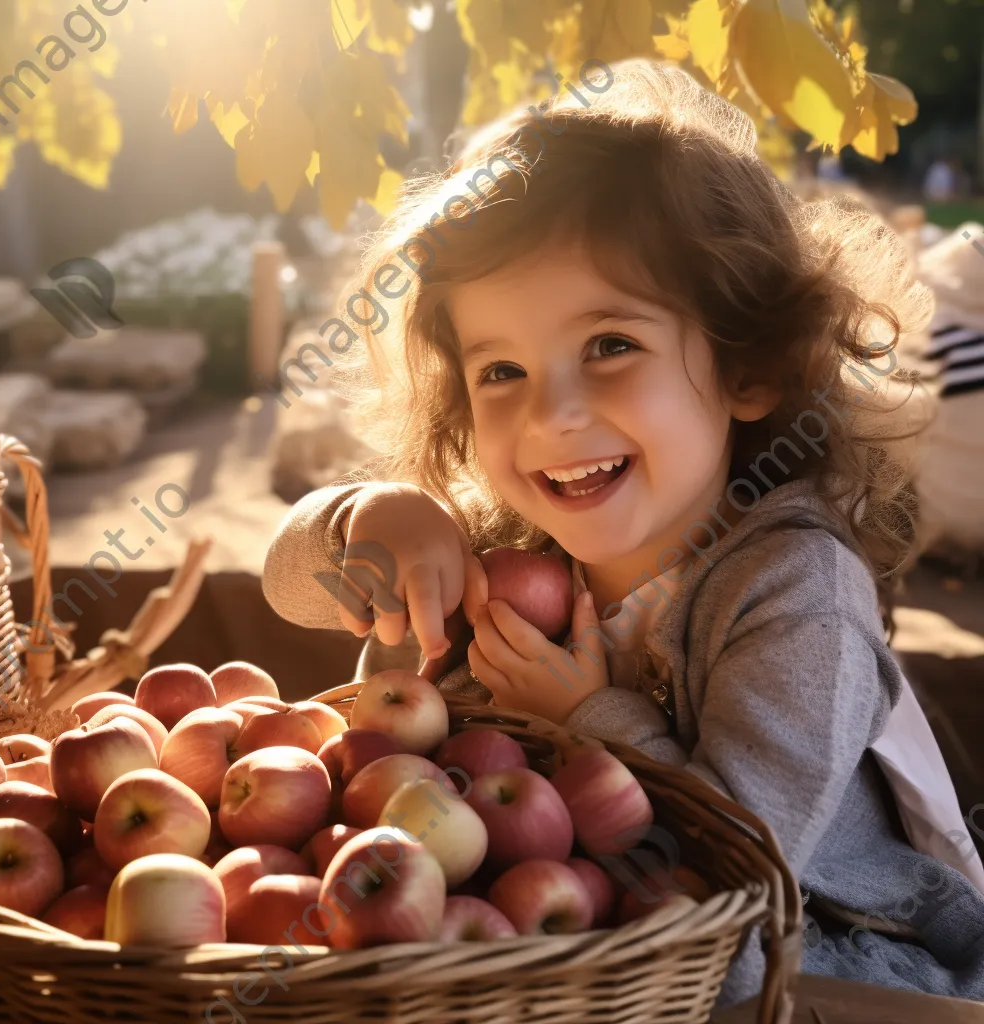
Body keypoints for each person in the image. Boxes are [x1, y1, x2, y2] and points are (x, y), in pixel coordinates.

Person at [263, 59, 984, 1007]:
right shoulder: (503, 540)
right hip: (527, 933)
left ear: (750, 370)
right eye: (502, 371)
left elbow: (738, 882)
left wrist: (589, 721)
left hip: (807, 959)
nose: (553, 413)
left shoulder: (793, 590)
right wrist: (365, 518)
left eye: (611, 346)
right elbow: (289, 585)